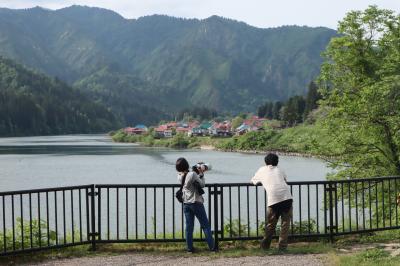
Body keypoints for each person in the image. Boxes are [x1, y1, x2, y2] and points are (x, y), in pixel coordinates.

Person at [251, 153, 293, 250]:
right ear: (277, 162)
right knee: (285, 224)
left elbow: (253, 181)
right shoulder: (280, 169)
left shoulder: (262, 170)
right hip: (287, 197)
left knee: (270, 225)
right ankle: (282, 247)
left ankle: (265, 247)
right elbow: (285, 180)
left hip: (273, 199)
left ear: (265, 162)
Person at [176, 157, 215, 252]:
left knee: (189, 227)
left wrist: (196, 172)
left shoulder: (179, 176)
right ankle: (212, 247)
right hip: (196, 202)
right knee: (205, 225)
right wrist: (201, 173)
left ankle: (189, 248)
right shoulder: (192, 174)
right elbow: (202, 184)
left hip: (186, 203)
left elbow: (189, 181)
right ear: (186, 165)